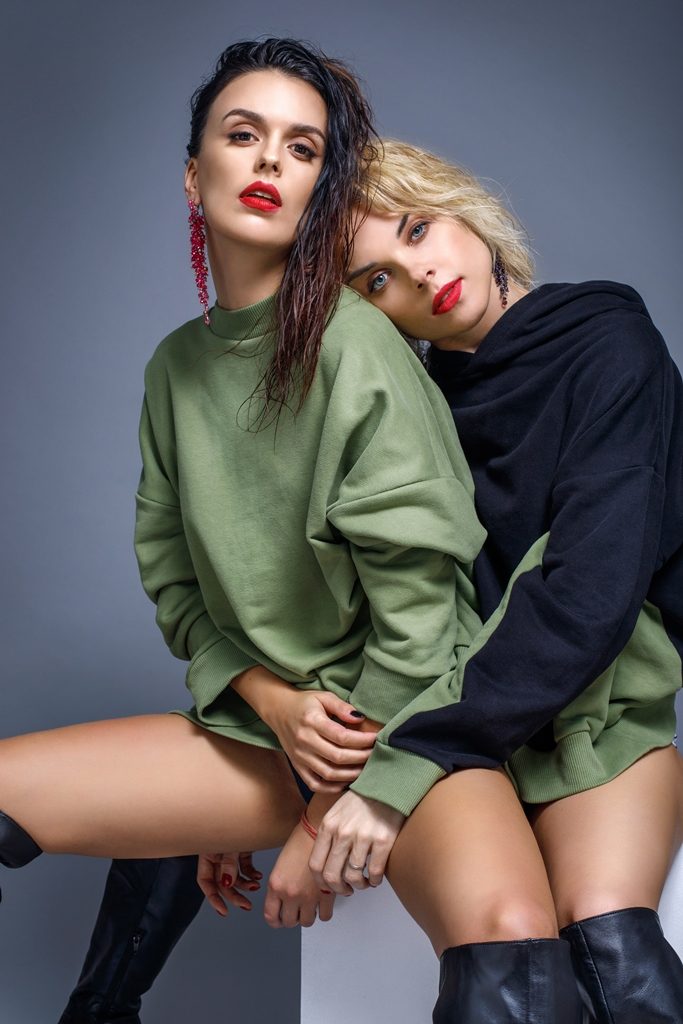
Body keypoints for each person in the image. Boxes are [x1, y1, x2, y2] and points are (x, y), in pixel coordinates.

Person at [0, 39, 588, 1024]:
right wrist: (272, 702)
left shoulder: (358, 349)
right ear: (194, 174)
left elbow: (420, 623)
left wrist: (323, 819)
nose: (270, 159)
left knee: (515, 952)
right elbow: (177, 586)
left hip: (409, 726)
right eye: (243, 135)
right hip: (266, 734)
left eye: (303, 147)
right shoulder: (174, 370)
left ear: (320, 192)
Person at [324, 137, 683, 1023]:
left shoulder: (608, 341)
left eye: (417, 228)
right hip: (461, 707)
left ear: (465, 211)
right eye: (377, 279)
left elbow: (587, 597)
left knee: (608, 946)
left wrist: (416, 753)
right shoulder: (411, 406)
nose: (419, 273)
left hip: (597, 704)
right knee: (514, 967)